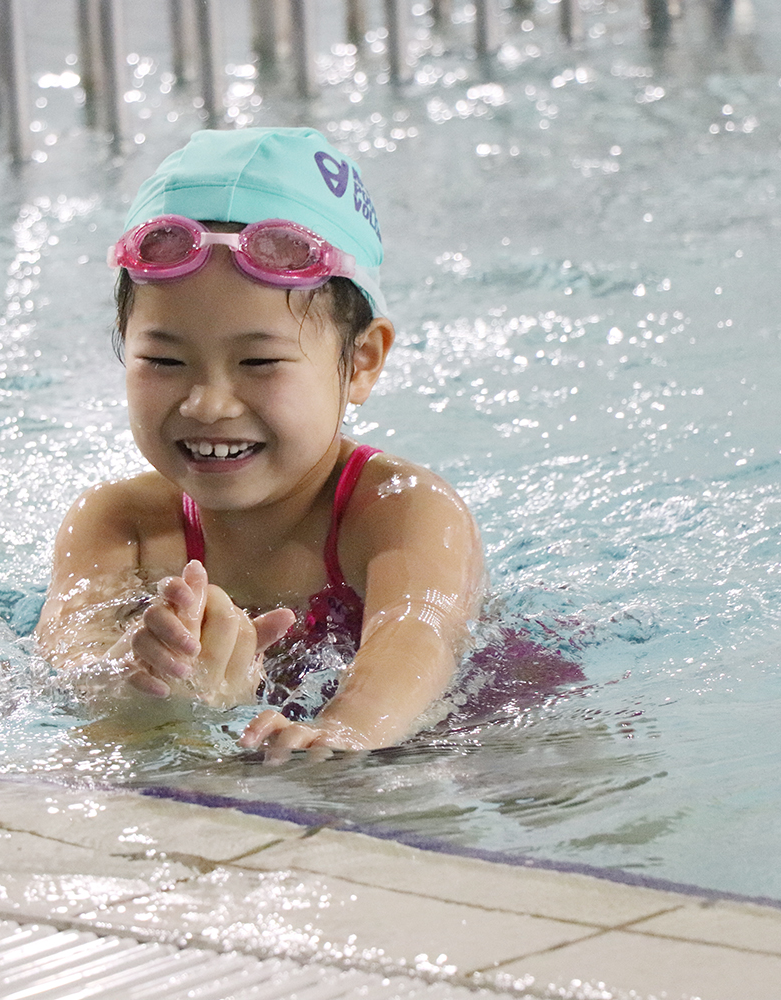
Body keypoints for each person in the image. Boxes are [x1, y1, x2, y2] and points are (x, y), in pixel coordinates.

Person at [36, 128, 484, 759]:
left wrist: (345, 731)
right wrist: (145, 687)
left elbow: (420, 635)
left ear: (361, 361)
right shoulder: (118, 525)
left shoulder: (402, 511)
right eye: (164, 361)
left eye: (259, 363)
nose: (207, 404)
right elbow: (69, 664)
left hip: (454, 728)